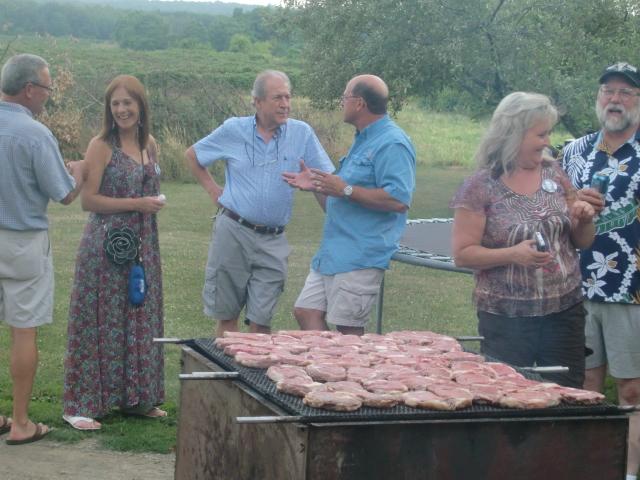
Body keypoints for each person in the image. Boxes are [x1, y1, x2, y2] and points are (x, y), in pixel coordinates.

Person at [450, 92, 595, 388]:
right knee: (511, 395)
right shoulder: (480, 186)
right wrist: (512, 254)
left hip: (565, 312)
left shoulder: (555, 173)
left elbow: (582, 241)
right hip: (507, 319)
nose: (547, 142)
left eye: (549, 133)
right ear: (513, 134)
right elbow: (462, 254)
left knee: (568, 394)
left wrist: (585, 219)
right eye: (541, 135)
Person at [185, 70, 334, 337]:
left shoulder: (301, 133)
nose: (285, 104)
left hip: (273, 241)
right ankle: (225, 365)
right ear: (257, 101)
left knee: (262, 321)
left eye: (288, 97)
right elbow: (193, 155)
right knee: (227, 316)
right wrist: (213, 190)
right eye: (278, 98)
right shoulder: (234, 129)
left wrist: (316, 185)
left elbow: (326, 177)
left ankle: (255, 365)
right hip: (233, 232)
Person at [62, 75, 166, 431]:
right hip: (105, 246)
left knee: (138, 318)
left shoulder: (150, 144)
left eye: (127, 103)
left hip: (143, 245)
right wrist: (138, 203)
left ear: (141, 105)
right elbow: (89, 201)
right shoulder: (101, 145)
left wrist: (150, 204)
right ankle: (80, 404)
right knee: (98, 322)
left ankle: (136, 400)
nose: (122, 110)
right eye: (115, 104)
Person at [286, 74, 416, 336]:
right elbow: (340, 198)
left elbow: (399, 200)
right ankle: (328, 362)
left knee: (348, 333)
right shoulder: (363, 139)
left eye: (344, 97)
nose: (341, 103)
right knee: (306, 311)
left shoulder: (392, 143)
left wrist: (345, 189)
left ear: (359, 103)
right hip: (333, 252)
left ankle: (344, 363)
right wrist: (318, 186)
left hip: (361, 254)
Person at [562, 62, 640, 480]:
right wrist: (572, 203)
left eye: (626, 92)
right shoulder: (574, 151)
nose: (616, 99)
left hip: (631, 289)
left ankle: (628, 472)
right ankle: (585, 467)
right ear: (598, 98)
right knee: (583, 385)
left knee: (632, 389)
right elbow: (551, 205)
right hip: (576, 285)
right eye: (608, 91)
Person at [0, 53, 84, 444]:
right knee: (23, 331)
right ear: (30, 89)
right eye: (47, 88)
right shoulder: (35, 134)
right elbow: (64, 194)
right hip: (23, 242)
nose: (49, 95)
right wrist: (78, 172)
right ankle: (20, 422)